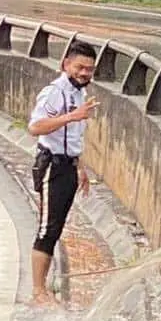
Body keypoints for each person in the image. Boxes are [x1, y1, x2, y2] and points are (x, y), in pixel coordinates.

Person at [27, 41, 100, 304]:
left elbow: (74, 137)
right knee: (48, 228)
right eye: (80, 67)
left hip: (68, 165)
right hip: (51, 166)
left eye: (89, 70)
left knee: (57, 228)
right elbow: (35, 127)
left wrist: (81, 167)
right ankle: (38, 290)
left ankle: (44, 287)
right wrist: (72, 116)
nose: (84, 73)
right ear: (65, 65)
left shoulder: (79, 93)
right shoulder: (55, 93)